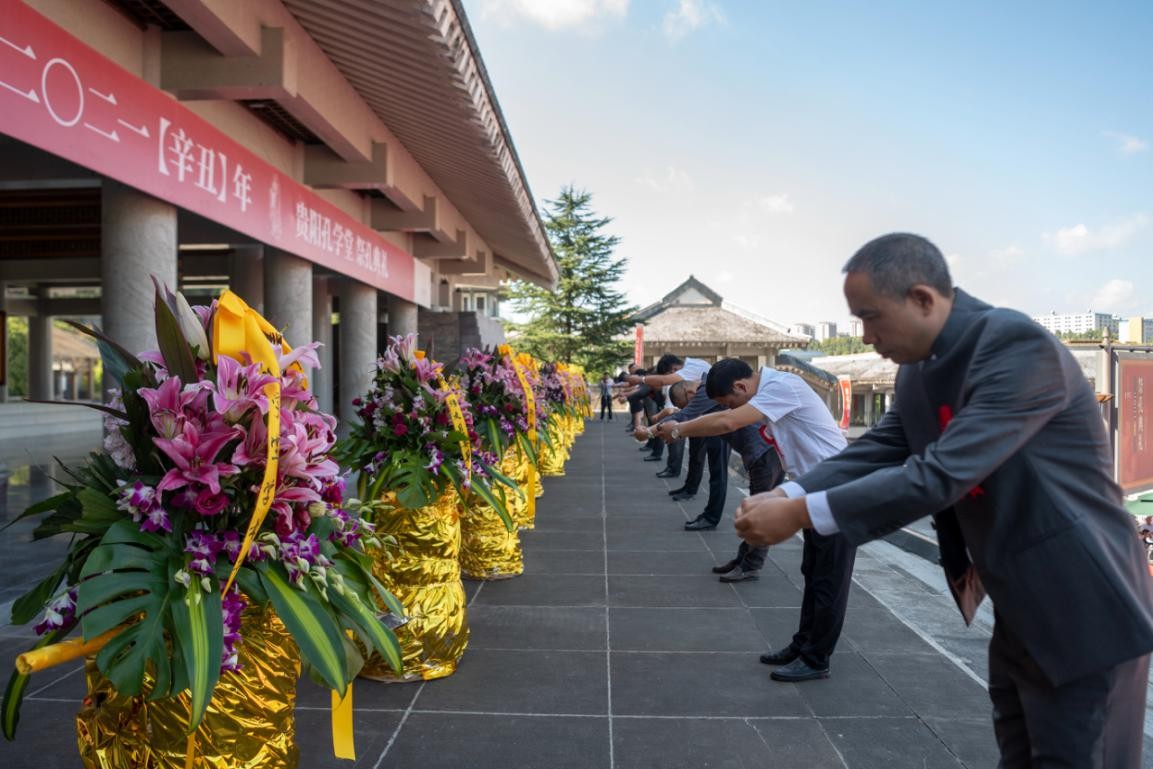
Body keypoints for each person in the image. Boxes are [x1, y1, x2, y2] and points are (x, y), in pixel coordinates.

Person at [734, 232, 1153, 766]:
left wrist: (802, 513)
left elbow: (942, 472)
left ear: (922, 298)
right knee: (1020, 753)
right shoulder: (918, 366)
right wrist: (789, 490)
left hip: (1083, 598)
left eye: (871, 318)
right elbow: (885, 445)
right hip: (1018, 597)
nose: (866, 336)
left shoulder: (1015, 346)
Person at [654, 358, 856, 682]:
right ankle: (803, 645)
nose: (730, 408)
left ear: (741, 386)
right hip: (813, 488)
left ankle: (817, 658)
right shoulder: (772, 388)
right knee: (814, 572)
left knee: (829, 578)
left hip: (837, 489)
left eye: (729, 401)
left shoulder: (782, 387)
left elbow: (727, 423)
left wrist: (678, 428)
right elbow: (724, 417)